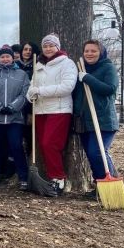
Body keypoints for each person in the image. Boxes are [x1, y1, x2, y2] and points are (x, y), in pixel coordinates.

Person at [26, 34, 77, 195]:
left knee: (50, 144)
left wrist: (39, 91)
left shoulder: (67, 63)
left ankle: (58, 178)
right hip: (40, 110)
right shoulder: (38, 65)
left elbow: (67, 87)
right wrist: (30, 95)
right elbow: (31, 87)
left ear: (57, 47)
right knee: (43, 145)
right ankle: (50, 178)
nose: (48, 49)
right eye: (45, 46)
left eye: (51, 46)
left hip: (59, 110)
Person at [73, 39, 119, 197]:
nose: (89, 54)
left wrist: (87, 78)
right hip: (85, 122)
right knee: (92, 154)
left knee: (97, 152)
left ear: (101, 52)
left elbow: (109, 89)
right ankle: (101, 186)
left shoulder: (108, 67)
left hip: (104, 120)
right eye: (87, 51)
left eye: (93, 51)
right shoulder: (81, 68)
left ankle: (111, 182)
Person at [0, 45, 30, 189]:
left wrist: (12, 107)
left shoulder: (22, 75)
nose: (5, 59)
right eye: (2, 57)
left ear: (12, 57)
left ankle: (23, 177)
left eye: (7, 56)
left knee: (16, 146)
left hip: (14, 118)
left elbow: (25, 93)